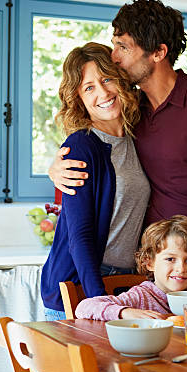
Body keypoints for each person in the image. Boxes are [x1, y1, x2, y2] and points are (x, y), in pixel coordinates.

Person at [49, 0, 187, 308]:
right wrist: (56, 167)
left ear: (158, 52)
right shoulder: (133, 111)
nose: (113, 57)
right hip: (155, 274)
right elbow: (96, 148)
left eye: (123, 48)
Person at [40, 42, 150, 321]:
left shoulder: (136, 138)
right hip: (79, 289)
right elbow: (80, 236)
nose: (103, 93)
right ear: (78, 98)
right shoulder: (81, 147)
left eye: (106, 79)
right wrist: (100, 303)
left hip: (124, 284)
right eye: (89, 87)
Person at [75, 215, 187, 321]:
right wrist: (124, 312)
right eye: (171, 259)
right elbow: (84, 307)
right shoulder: (141, 296)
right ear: (150, 263)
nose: (181, 268)